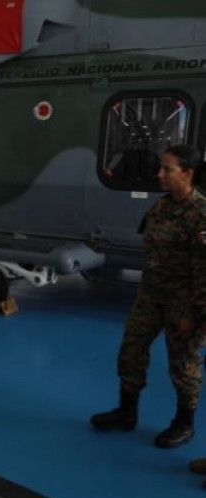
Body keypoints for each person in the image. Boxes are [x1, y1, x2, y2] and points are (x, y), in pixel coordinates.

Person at [90, 144, 206, 448]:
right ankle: (126, 412)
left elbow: (204, 272)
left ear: (188, 173)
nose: (160, 174)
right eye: (161, 167)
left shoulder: (200, 215)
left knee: (183, 363)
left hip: (184, 303)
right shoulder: (160, 207)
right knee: (131, 349)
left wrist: (195, 314)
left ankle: (184, 424)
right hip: (150, 294)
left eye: (168, 169)